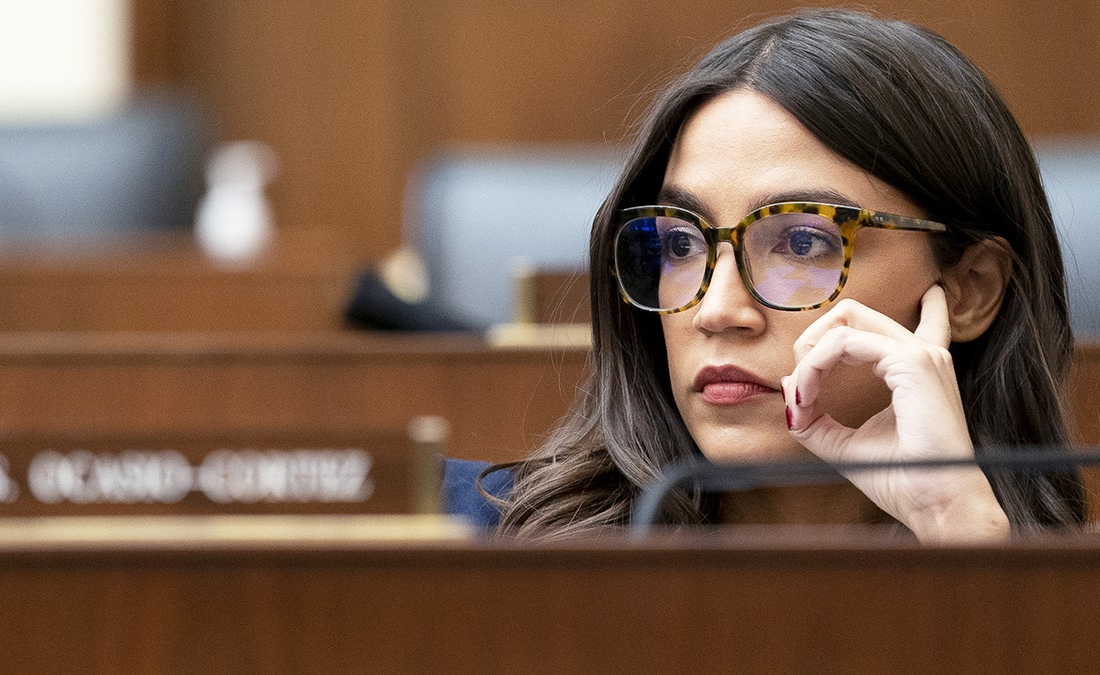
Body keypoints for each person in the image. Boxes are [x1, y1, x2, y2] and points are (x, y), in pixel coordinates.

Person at [444, 7, 1088, 540]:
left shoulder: (1062, 604)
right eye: (679, 245)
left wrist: (959, 527)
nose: (716, 311)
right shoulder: (461, 539)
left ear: (971, 290)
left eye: (803, 243)